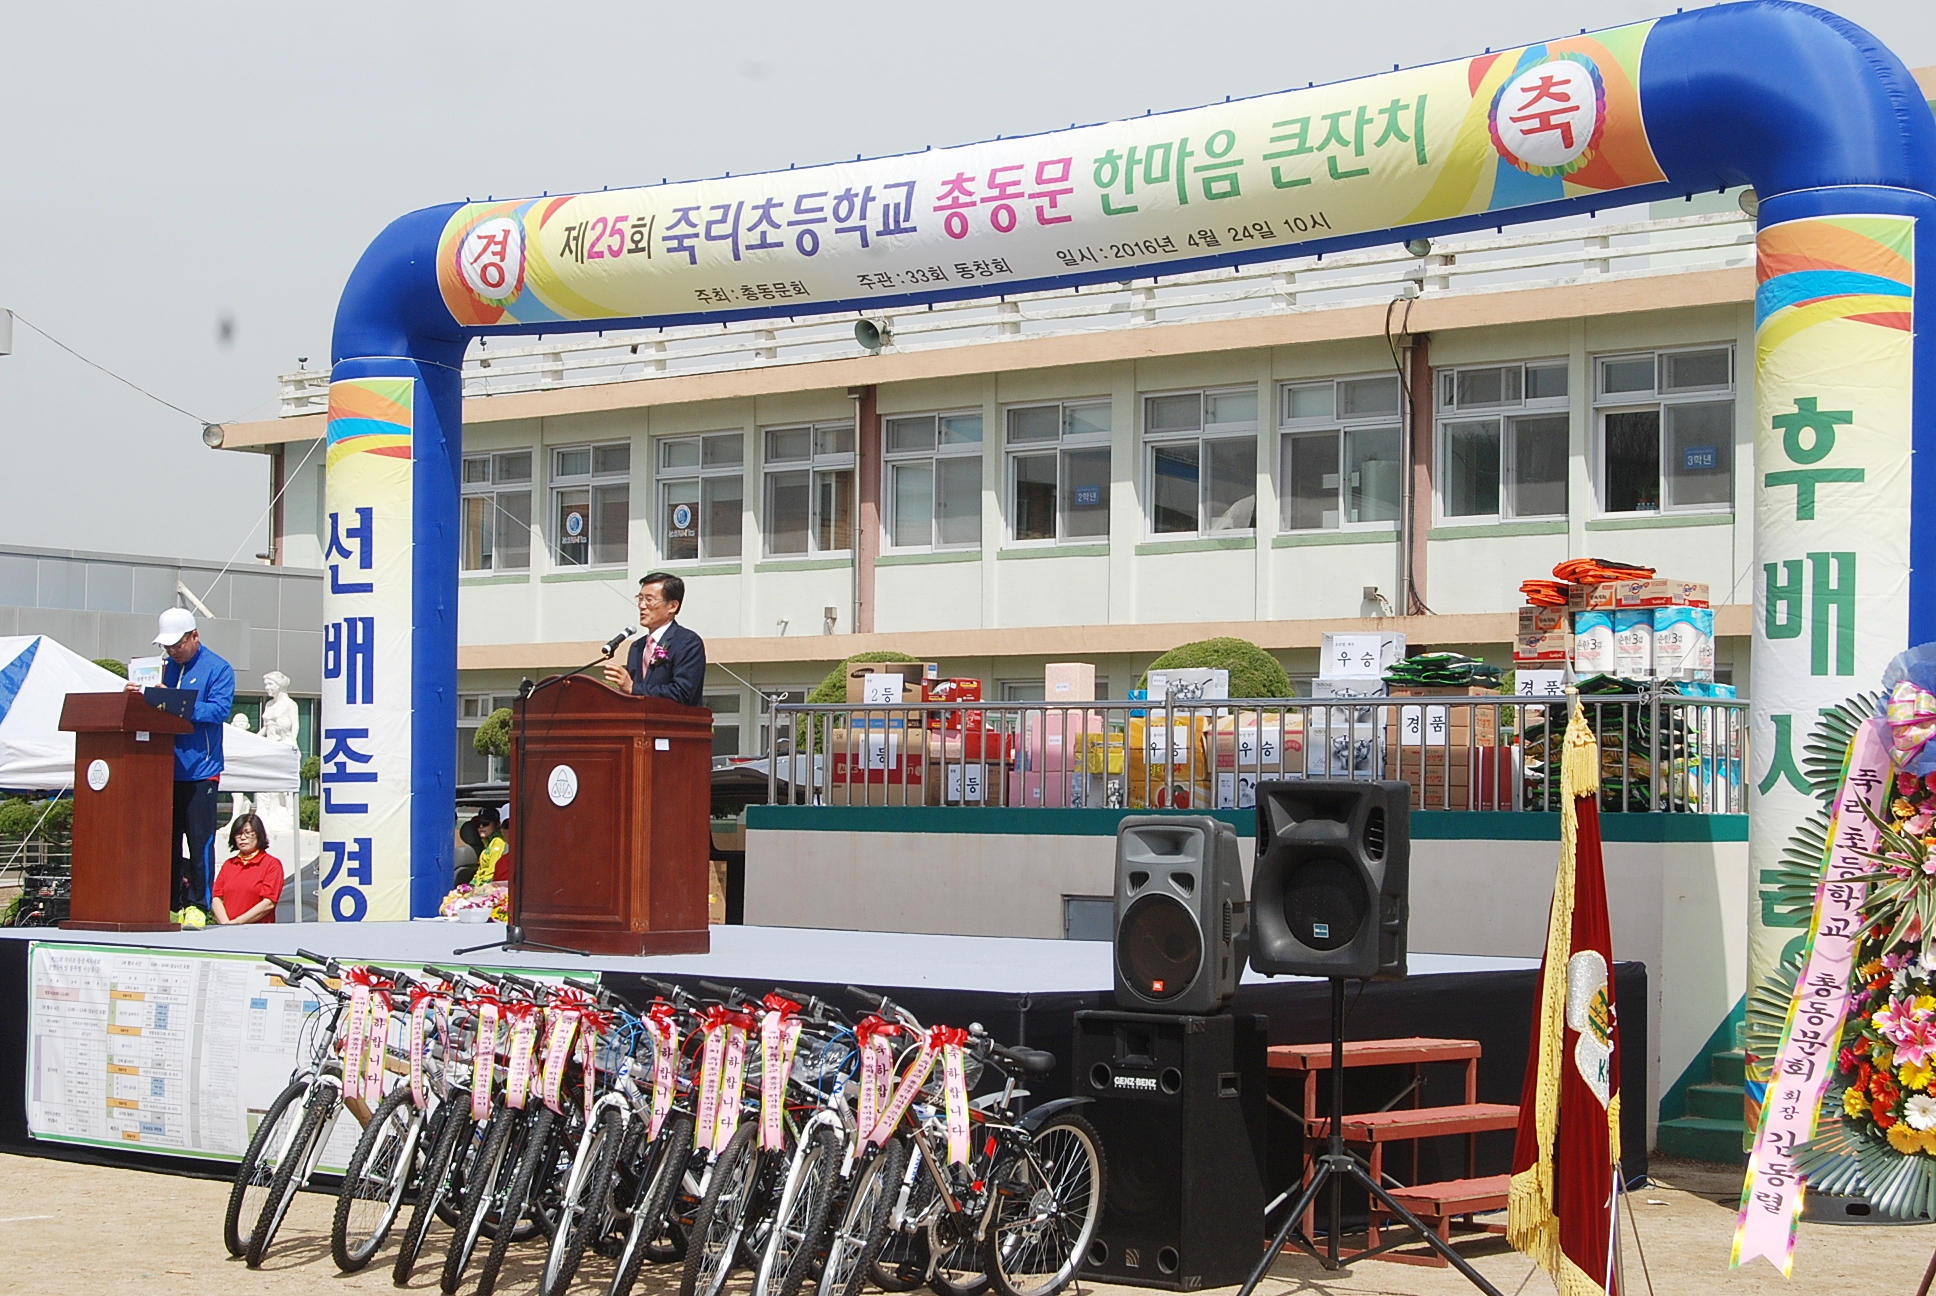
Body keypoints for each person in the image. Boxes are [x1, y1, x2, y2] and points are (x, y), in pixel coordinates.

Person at [128, 607, 235, 926]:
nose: (172, 651)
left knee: (199, 840)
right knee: (165, 840)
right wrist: (133, 697)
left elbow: (218, 711)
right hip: (160, 769)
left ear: (195, 636)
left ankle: (198, 905)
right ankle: (169, 901)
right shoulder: (161, 669)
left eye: (177, 644)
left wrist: (173, 700)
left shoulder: (218, 668)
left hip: (200, 770)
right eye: (167, 646)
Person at [603, 572, 706, 707]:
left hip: (674, 725)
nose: (641, 605)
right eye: (640, 599)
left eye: (649, 599)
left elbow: (682, 693)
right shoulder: (637, 647)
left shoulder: (687, 642)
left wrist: (633, 688)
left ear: (672, 606)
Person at [211, 812, 283, 925]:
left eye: (248, 833)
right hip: (227, 930)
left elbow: (269, 902)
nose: (242, 838)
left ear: (259, 834)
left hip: (258, 931)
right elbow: (216, 897)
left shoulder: (272, 864)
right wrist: (226, 923)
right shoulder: (229, 864)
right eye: (238, 834)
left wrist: (238, 922)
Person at [470, 805, 511, 886]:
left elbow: (491, 874)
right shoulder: (487, 843)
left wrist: (478, 889)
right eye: (478, 824)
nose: (481, 826)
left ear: (497, 825)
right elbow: (481, 871)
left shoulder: (498, 843)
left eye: (485, 823)